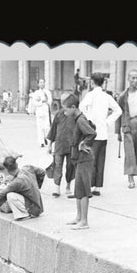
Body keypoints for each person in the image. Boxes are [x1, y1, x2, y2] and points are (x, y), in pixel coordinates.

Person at [79, 72, 122, 196]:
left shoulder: (90, 95)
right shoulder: (107, 96)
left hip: (92, 133)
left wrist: (89, 118)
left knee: (90, 160)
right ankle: (97, 187)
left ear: (92, 82)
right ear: (103, 82)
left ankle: (89, 186)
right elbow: (118, 111)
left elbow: (81, 107)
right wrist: (107, 122)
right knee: (100, 160)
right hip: (103, 133)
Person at [63, 94, 96, 229]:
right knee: (78, 189)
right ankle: (78, 217)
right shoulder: (77, 119)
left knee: (83, 189)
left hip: (85, 158)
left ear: (73, 107)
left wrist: (84, 143)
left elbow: (92, 133)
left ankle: (84, 221)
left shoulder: (81, 120)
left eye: (66, 109)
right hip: (79, 159)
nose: (65, 112)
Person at [0, 156, 46, 221]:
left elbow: (2, 194)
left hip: (34, 210)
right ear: (17, 164)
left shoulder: (17, 182)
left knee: (10, 195)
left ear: (7, 170)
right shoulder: (27, 168)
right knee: (13, 192)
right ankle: (25, 210)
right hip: (39, 206)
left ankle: (24, 214)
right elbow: (42, 172)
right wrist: (36, 185)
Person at [115, 69, 137, 189]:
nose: (135, 80)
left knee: (136, 150)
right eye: (133, 78)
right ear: (128, 79)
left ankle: (133, 172)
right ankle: (130, 178)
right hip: (127, 125)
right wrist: (117, 131)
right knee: (129, 152)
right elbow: (118, 112)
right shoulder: (123, 95)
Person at [47, 92, 76, 197]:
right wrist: (50, 145)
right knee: (57, 165)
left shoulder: (73, 114)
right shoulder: (58, 114)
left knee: (70, 166)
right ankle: (57, 188)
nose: (63, 105)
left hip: (71, 145)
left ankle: (68, 185)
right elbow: (53, 130)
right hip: (59, 145)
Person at [33, 78, 53, 147]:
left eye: (43, 82)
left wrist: (46, 101)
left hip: (46, 112)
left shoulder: (47, 92)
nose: (42, 84)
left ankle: (46, 138)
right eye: (40, 82)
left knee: (47, 127)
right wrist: (41, 101)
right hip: (39, 112)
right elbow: (35, 103)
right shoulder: (36, 93)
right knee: (40, 128)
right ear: (38, 84)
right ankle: (41, 142)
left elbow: (50, 101)